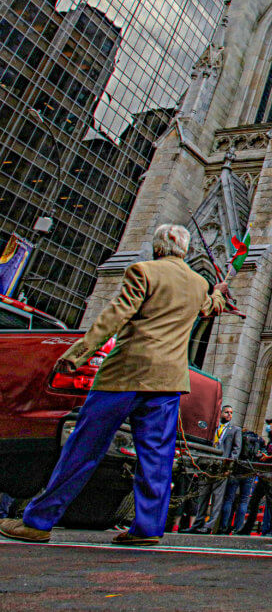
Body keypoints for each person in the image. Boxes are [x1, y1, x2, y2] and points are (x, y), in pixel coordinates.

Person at [0, 224, 227, 546]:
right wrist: (217, 292)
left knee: (83, 449)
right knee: (156, 458)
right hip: (167, 383)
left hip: (125, 375)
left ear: (158, 247)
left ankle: (38, 522)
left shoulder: (143, 271)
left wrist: (79, 353)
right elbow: (208, 307)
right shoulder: (198, 283)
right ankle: (147, 528)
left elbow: (115, 315)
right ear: (186, 251)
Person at [186, 404, 242, 533]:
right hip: (207, 464)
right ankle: (197, 524)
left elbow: (236, 449)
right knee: (203, 495)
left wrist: (229, 464)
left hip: (222, 466)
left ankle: (209, 526)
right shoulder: (213, 427)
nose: (229, 415)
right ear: (220, 413)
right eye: (226, 412)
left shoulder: (235, 430)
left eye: (231, 413)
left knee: (217, 496)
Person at [238, 417, 272, 536]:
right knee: (254, 502)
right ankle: (247, 528)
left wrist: (268, 457)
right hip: (263, 474)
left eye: (270, 424)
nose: (268, 427)